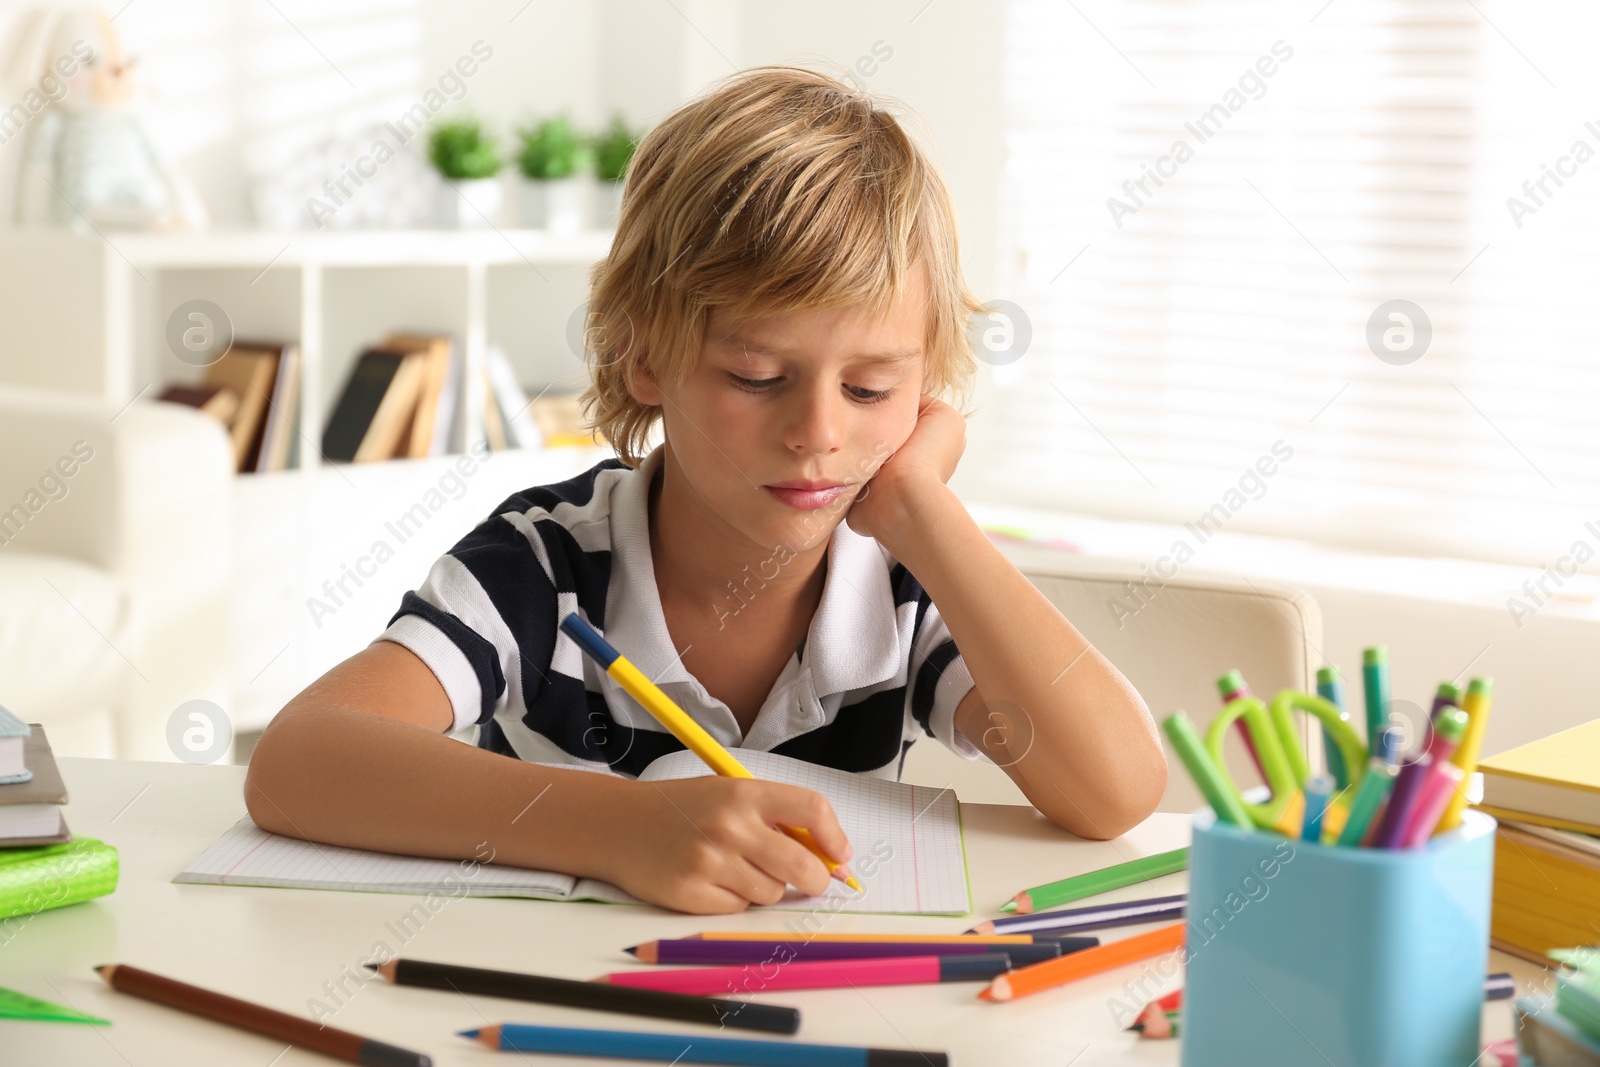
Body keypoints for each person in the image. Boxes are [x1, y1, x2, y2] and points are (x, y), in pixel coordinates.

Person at [245, 66, 1165, 914]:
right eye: (758, 377)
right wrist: (620, 826)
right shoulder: (544, 562)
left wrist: (925, 507)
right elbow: (297, 761)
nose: (818, 434)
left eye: (871, 389)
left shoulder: (900, 579)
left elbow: (1116, 791)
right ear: (645, 356)